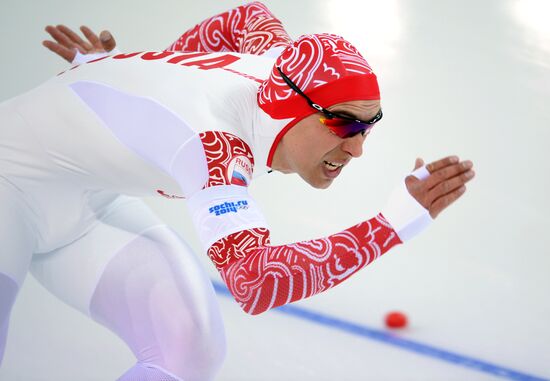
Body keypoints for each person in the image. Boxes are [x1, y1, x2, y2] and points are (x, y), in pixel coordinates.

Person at [1, 2, 475, 380]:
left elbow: (247, 15)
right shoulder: (215, 147)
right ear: (291, 106)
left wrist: (135, 79)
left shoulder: (280, 61)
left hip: (87, 201)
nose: (357, 150)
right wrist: (389, 226)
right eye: (342, 123)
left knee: (187, 351)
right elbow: (255, 282)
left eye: (369, 125)